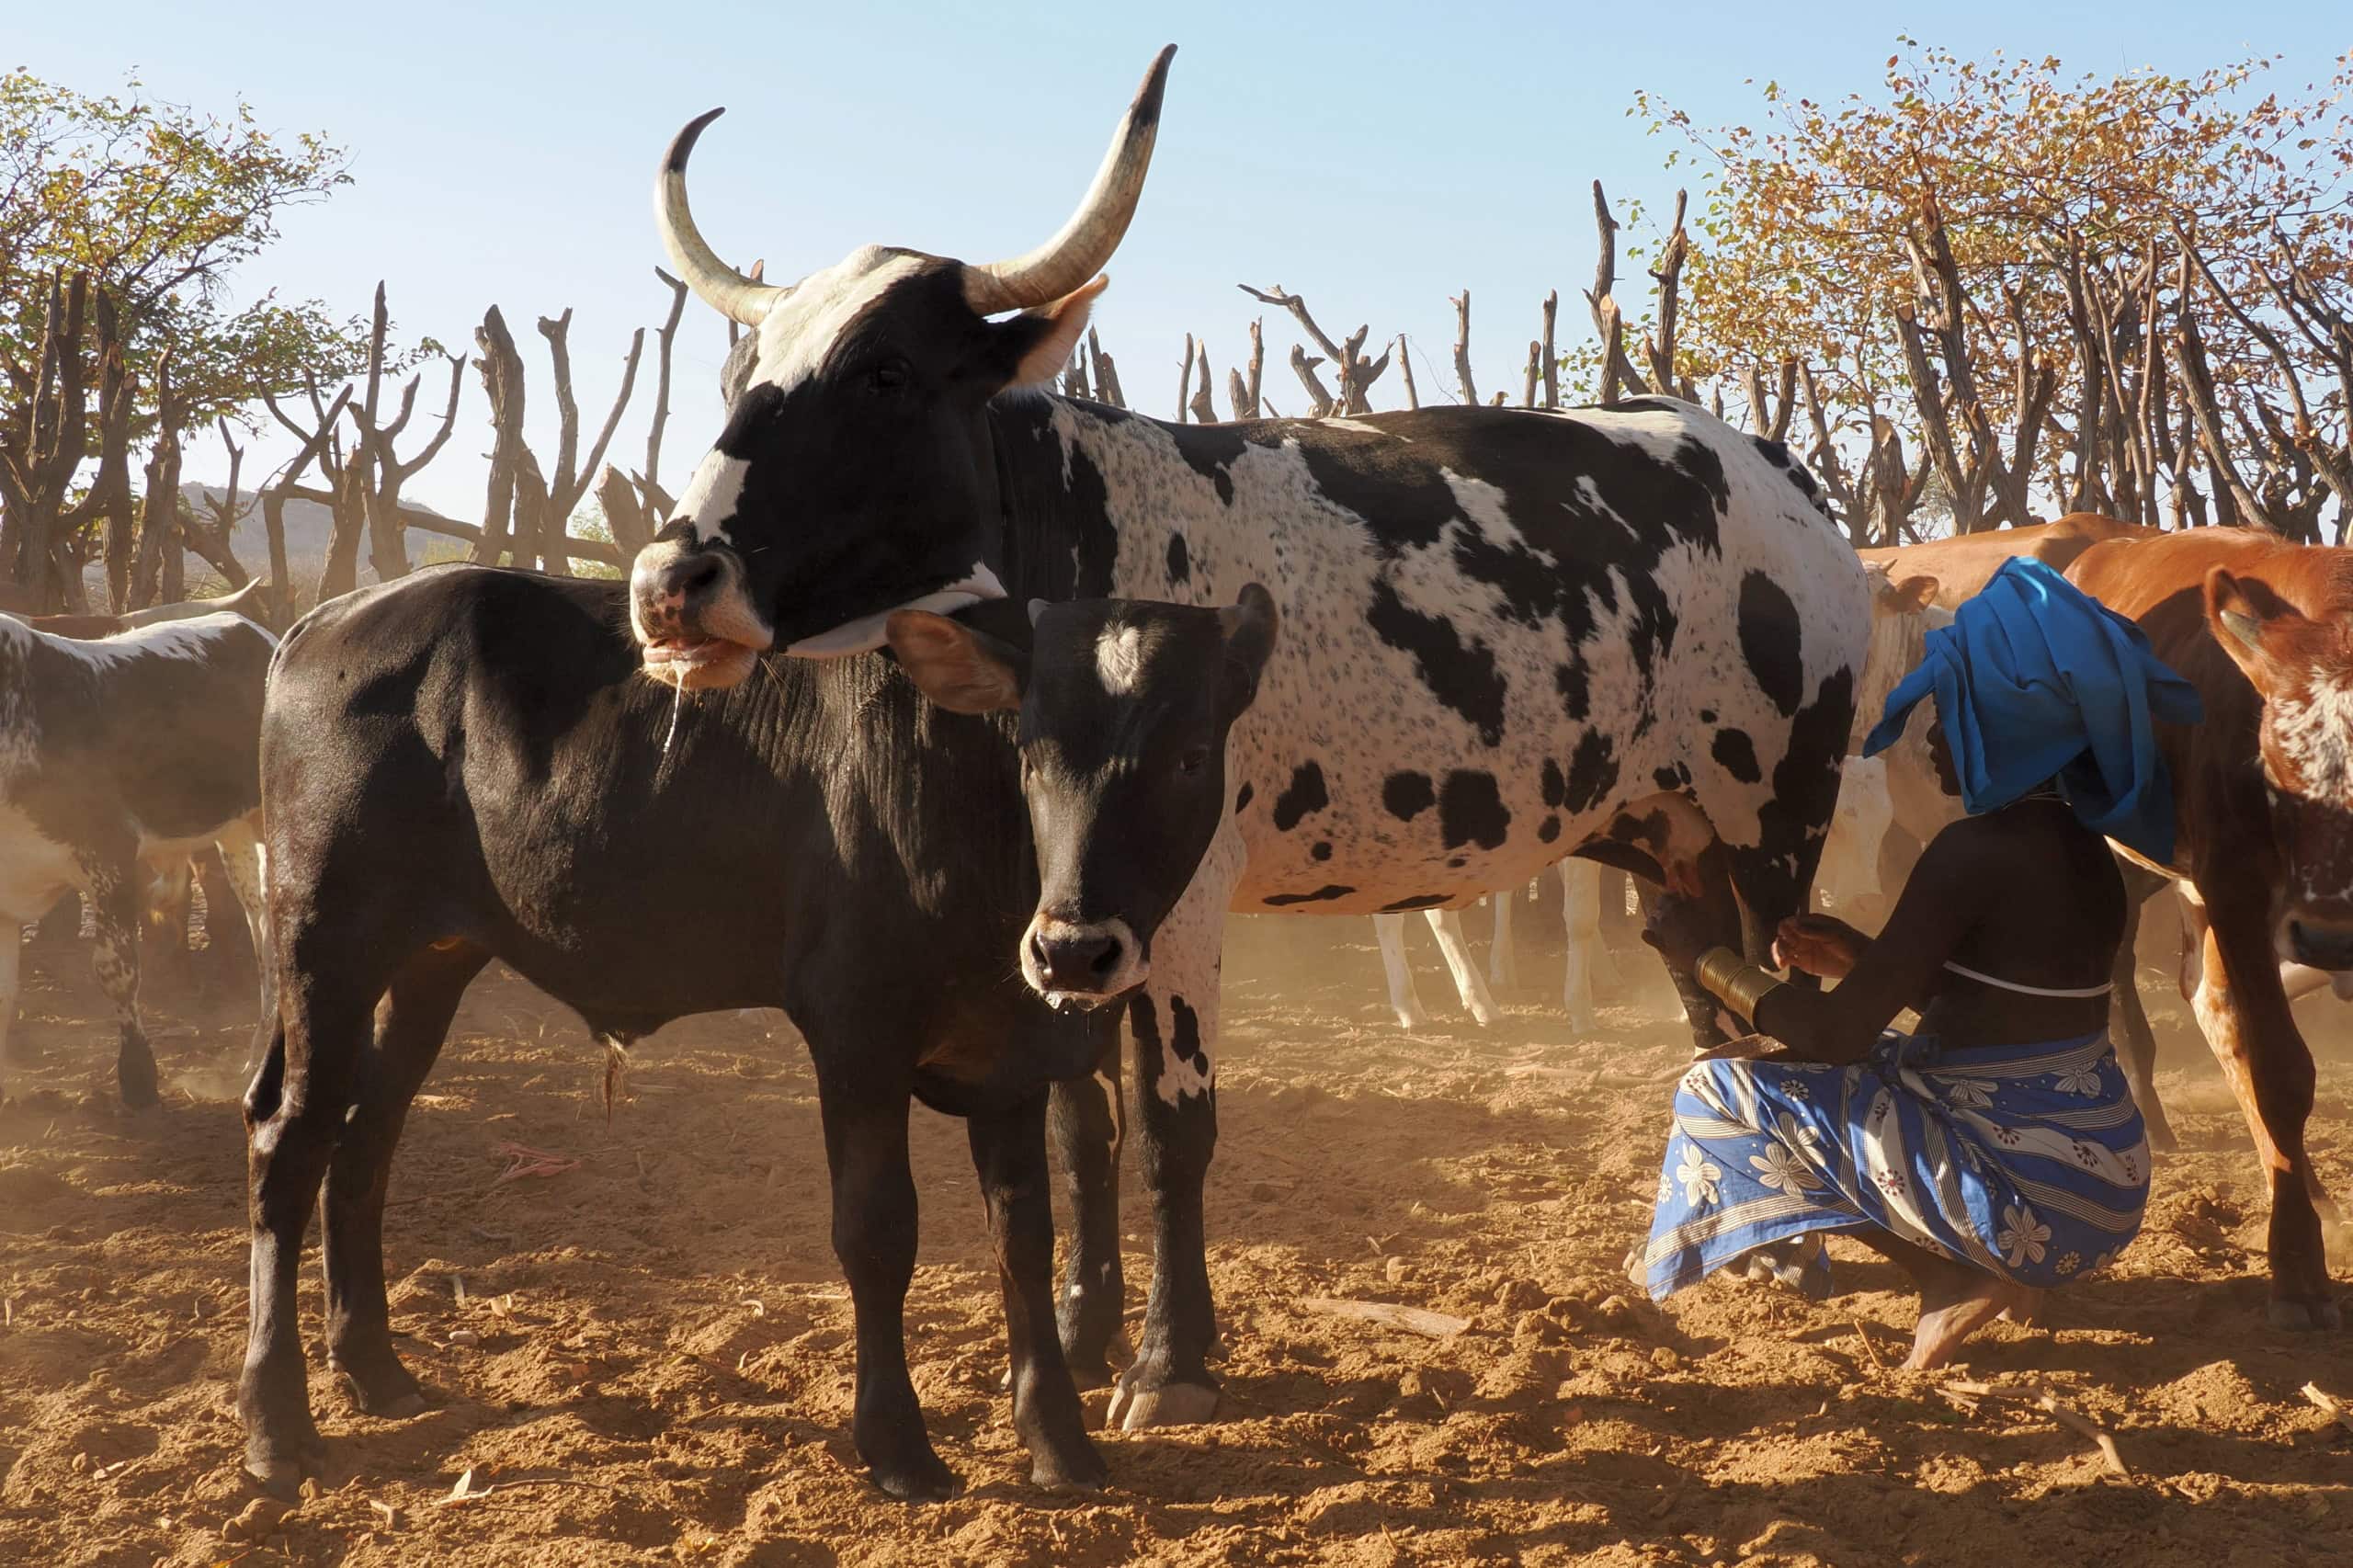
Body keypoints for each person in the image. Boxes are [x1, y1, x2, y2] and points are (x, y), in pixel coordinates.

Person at [1639, 558, 2201, 1368]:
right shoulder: (2085, 852)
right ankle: (2006, 1268)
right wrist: (1865, 957)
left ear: (1998, 722)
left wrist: (1706, 958)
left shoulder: (1974, 849)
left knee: (1719, 1085)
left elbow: (1832, 1034)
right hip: (2104, 1186)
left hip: (2026, 1200)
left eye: (1950, 708)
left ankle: (1949, 1274)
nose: (1935, 732)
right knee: (1887, 1068)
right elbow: (2005, 1008)